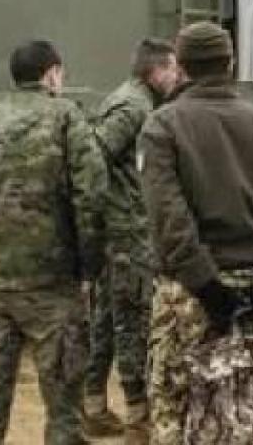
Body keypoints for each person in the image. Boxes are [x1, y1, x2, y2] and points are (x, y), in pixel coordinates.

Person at [140, 22, 253, 445]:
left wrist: (207, 287)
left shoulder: (162, 127)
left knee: (177, 414)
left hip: (189, 298)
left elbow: (169, 219)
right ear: (231, 63)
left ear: (180, 67)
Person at [0, 40, 108, 445]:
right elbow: (92, 199)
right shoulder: (66, 118)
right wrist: (89, 268)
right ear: (52, 73)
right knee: (64, 409)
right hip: (53, 289)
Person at [83, 38, 180, 442]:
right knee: (131, 322)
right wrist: (114, 210)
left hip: (119, 232)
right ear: (155, 71)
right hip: (126, 236)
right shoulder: (134, 108)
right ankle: (138, 417)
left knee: (105, 319)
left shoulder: (132, 100)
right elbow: (92, 157)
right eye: (172, 69)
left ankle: (92, 407)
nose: (176, 76)